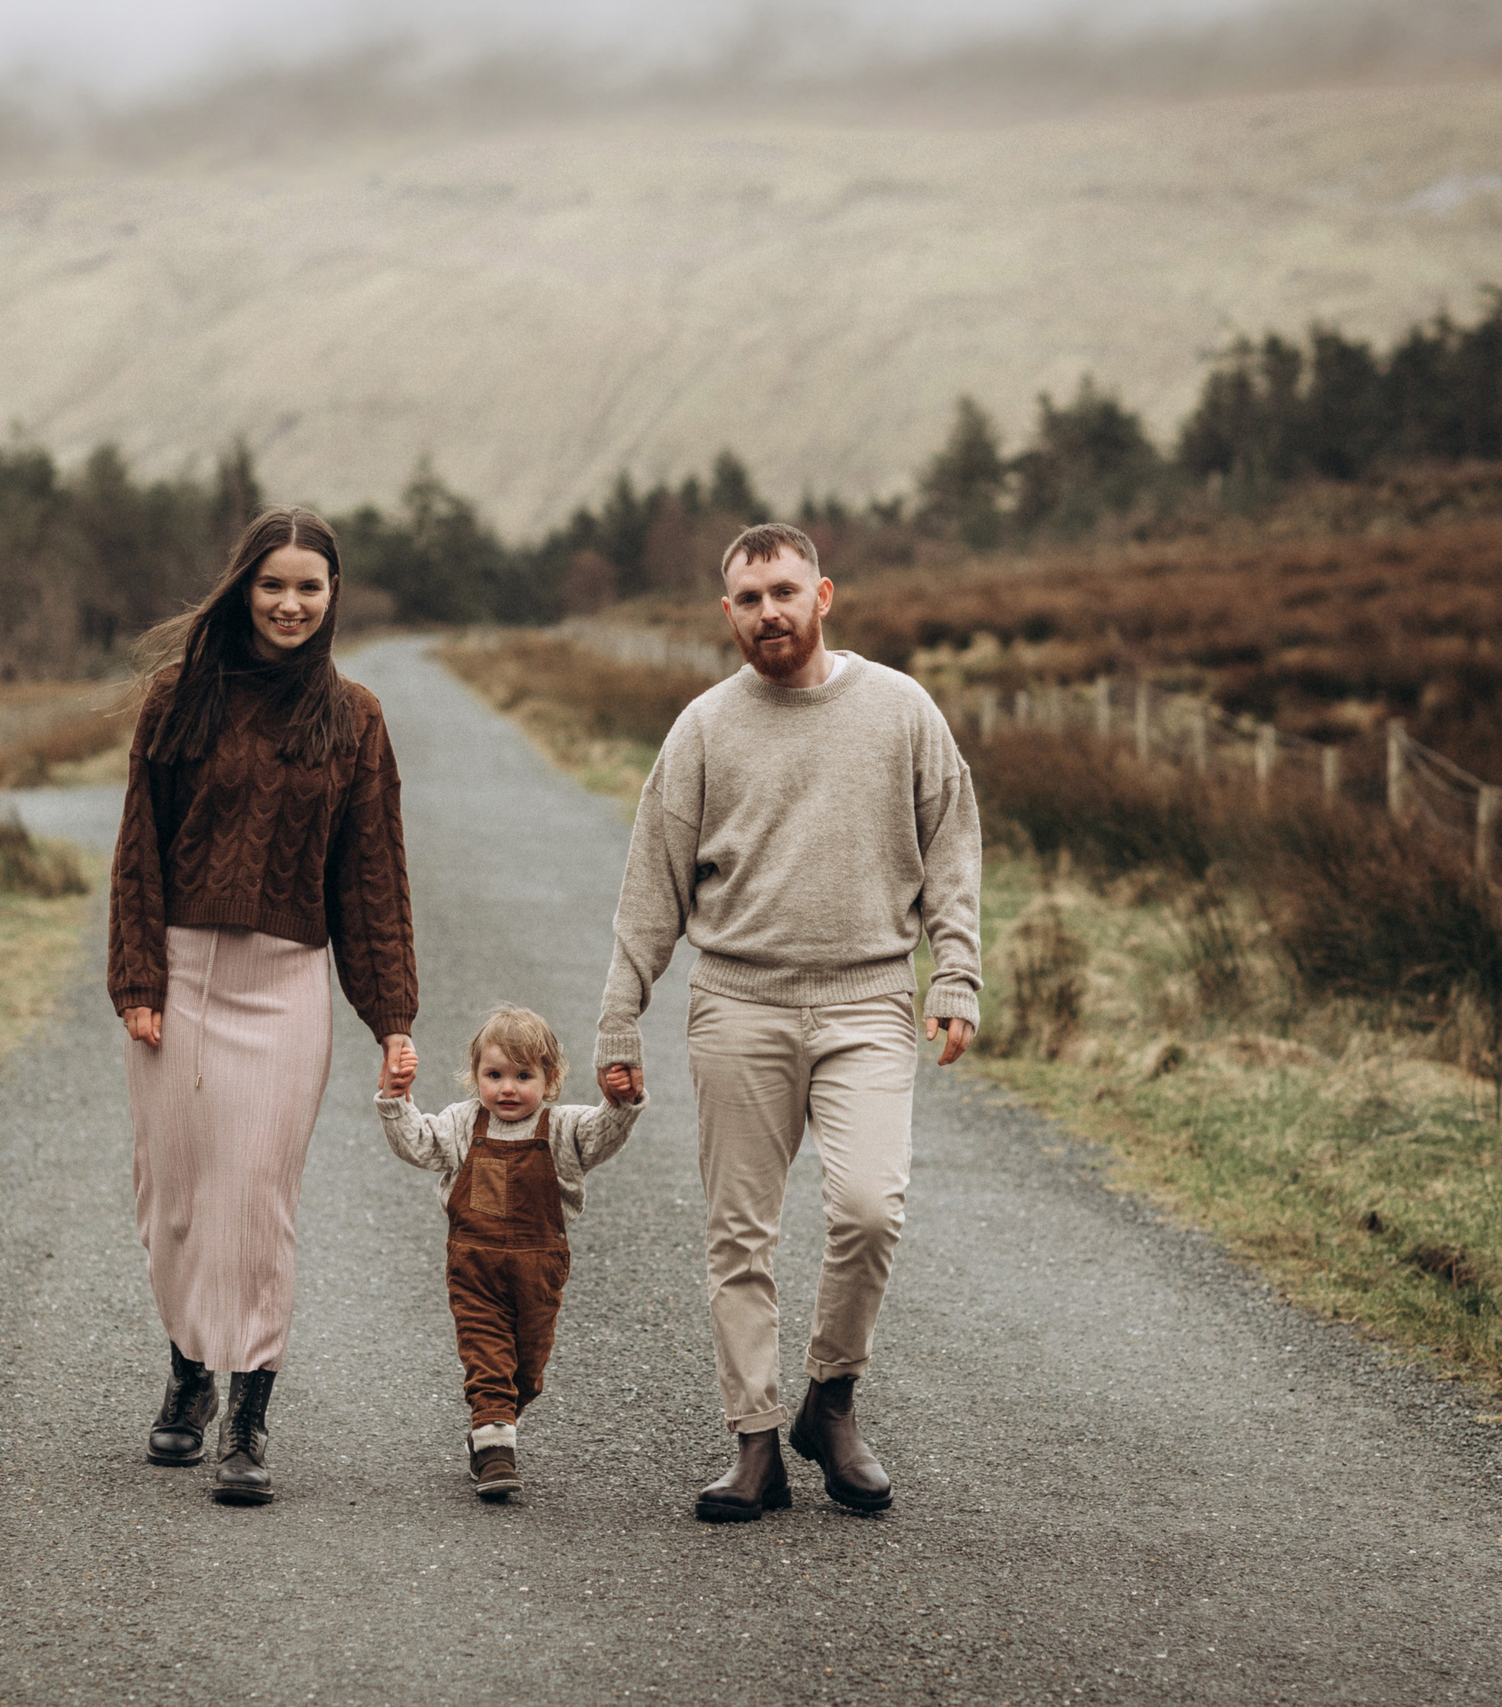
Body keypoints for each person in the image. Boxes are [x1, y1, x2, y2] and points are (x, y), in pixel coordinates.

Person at [595, 521, 981, 1523]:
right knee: (740, 1234)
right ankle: (754, 1440)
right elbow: (649, 888)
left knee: (866, 1209)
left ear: (823, 596)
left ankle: (831, 1399)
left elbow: (952, 847)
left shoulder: (900, 710)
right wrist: (618, 1022)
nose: (769, 611)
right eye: (749, 598)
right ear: (727, 614)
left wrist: (957, 976)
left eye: (784, 591)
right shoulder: (703, 729)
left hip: (868, 998)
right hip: (738, 1003)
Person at [108, 505, 417, 1507]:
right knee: (177, 1206)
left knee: (258, 1202)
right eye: (273, 583)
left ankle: (248, 1414)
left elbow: (373, 881)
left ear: (331, 600)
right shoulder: (175, 703)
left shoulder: (355, 718)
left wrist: (393, 1017)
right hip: (181, 980)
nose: (290, 603)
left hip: (287, 987)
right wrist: (139, 982)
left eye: (309, 588)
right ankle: (189, 1368)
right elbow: (137, 852)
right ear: (244, 586)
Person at [377, 1005, 644, 1500]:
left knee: (528, 1369)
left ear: (551, 1079)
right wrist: (397, 1101)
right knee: (487, 1356)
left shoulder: (564, 1128)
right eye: (494, 1074)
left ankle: (491, 1427)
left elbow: (604, 1135)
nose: (508, 1088)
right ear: (474, 1076)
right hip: (474, 1266)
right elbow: (418, 1144)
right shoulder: (461, 1123)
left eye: (524, 1076)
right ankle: (497, 1447)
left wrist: (620, 1104)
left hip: (539, 1268)